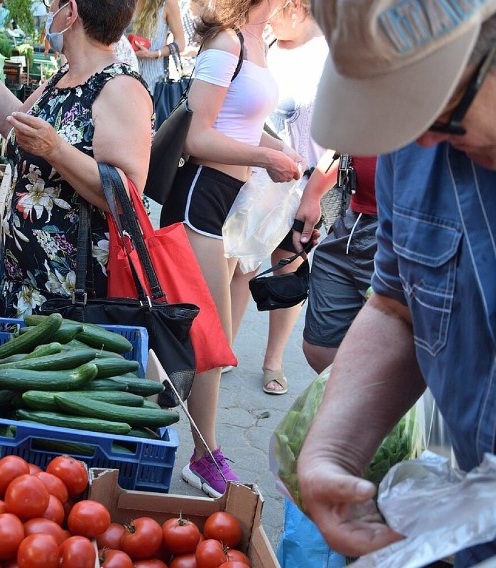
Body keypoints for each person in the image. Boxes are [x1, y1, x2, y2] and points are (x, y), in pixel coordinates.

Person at [295, 0, 496, 566]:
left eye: (441, 108)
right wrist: (332, 449)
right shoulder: (423, 142)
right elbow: (397, 304)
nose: (422, 141)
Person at [160, 0, 303, 498]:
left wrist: (277, 147)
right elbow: (198, 138)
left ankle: (193, 444)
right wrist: (266, 155)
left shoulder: (255, 44)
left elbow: (239, 120)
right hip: (200, 196)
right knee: (212, 339)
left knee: (203, 335)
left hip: (222, 201)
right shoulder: (228, 43)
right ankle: (203, 456)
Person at [0, 0, 152, 318]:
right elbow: (15, 124)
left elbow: (126, 193)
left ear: (71, 12)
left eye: (51, 4)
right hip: (29, 278)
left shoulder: (120, 88)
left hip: (71, 294)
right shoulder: (65, 76)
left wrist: (55, 149)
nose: (47, 12)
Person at [229, 0, 329, 394]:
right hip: (257, 179)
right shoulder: (263, 42)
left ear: (297, 7)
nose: (268, 13)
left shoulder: (327, 53)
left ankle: (273, 361)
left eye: (276, 7)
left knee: (287, 267)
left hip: (307, 182)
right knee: (241, 265)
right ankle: (225, 350)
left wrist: (316, 192)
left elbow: (336, 138)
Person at [294, 153, 378, 374]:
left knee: (385, 350)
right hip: (353, 221)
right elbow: (342, 137)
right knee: (320, 347)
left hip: (408, 230)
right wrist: (311, 197)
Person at [129, 0, 187, 93]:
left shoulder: (167, 3)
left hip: (152, 80)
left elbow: (181, 43)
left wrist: (154, 54)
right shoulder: (124, 2)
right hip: (124, 75)